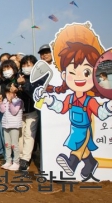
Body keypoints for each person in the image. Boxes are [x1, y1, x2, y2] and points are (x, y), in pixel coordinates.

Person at [34, 41, 112, 178]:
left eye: (86, 72)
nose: (79, 77)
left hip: (84, 129)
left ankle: (72, 162)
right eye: (72, 72)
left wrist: (109, 106)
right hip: (73, 127)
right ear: (64, 76)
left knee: (79, 144)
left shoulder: (89, 100)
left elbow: (101, 113)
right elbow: (61, 108)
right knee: (82, 146)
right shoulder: (69, 98)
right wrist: (47, 99)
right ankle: (90, 163)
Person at [17, 55, 42, 171]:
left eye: (29, 65)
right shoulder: (18, 77)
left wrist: (23, 85)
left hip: (32, 111)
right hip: (20, 112)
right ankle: (21, 157)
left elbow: (35, 95)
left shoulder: (38, 78)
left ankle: (25, 160)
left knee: (29, 135)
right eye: (24, 65)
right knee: (20, 135)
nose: (26, 67)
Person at [0, 83, 23, 171]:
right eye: (7, 93)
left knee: (14, 145)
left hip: (14, 125)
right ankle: (8, 161)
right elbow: (2, 110)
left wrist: (10, 102)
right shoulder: (5, 100)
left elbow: (14, 112)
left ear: (15, 92)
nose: (8, 95)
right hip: (6, 125)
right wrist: (0, 102)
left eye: (10, 92)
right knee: (7, 144)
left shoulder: (18, 101)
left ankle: (16, 162)